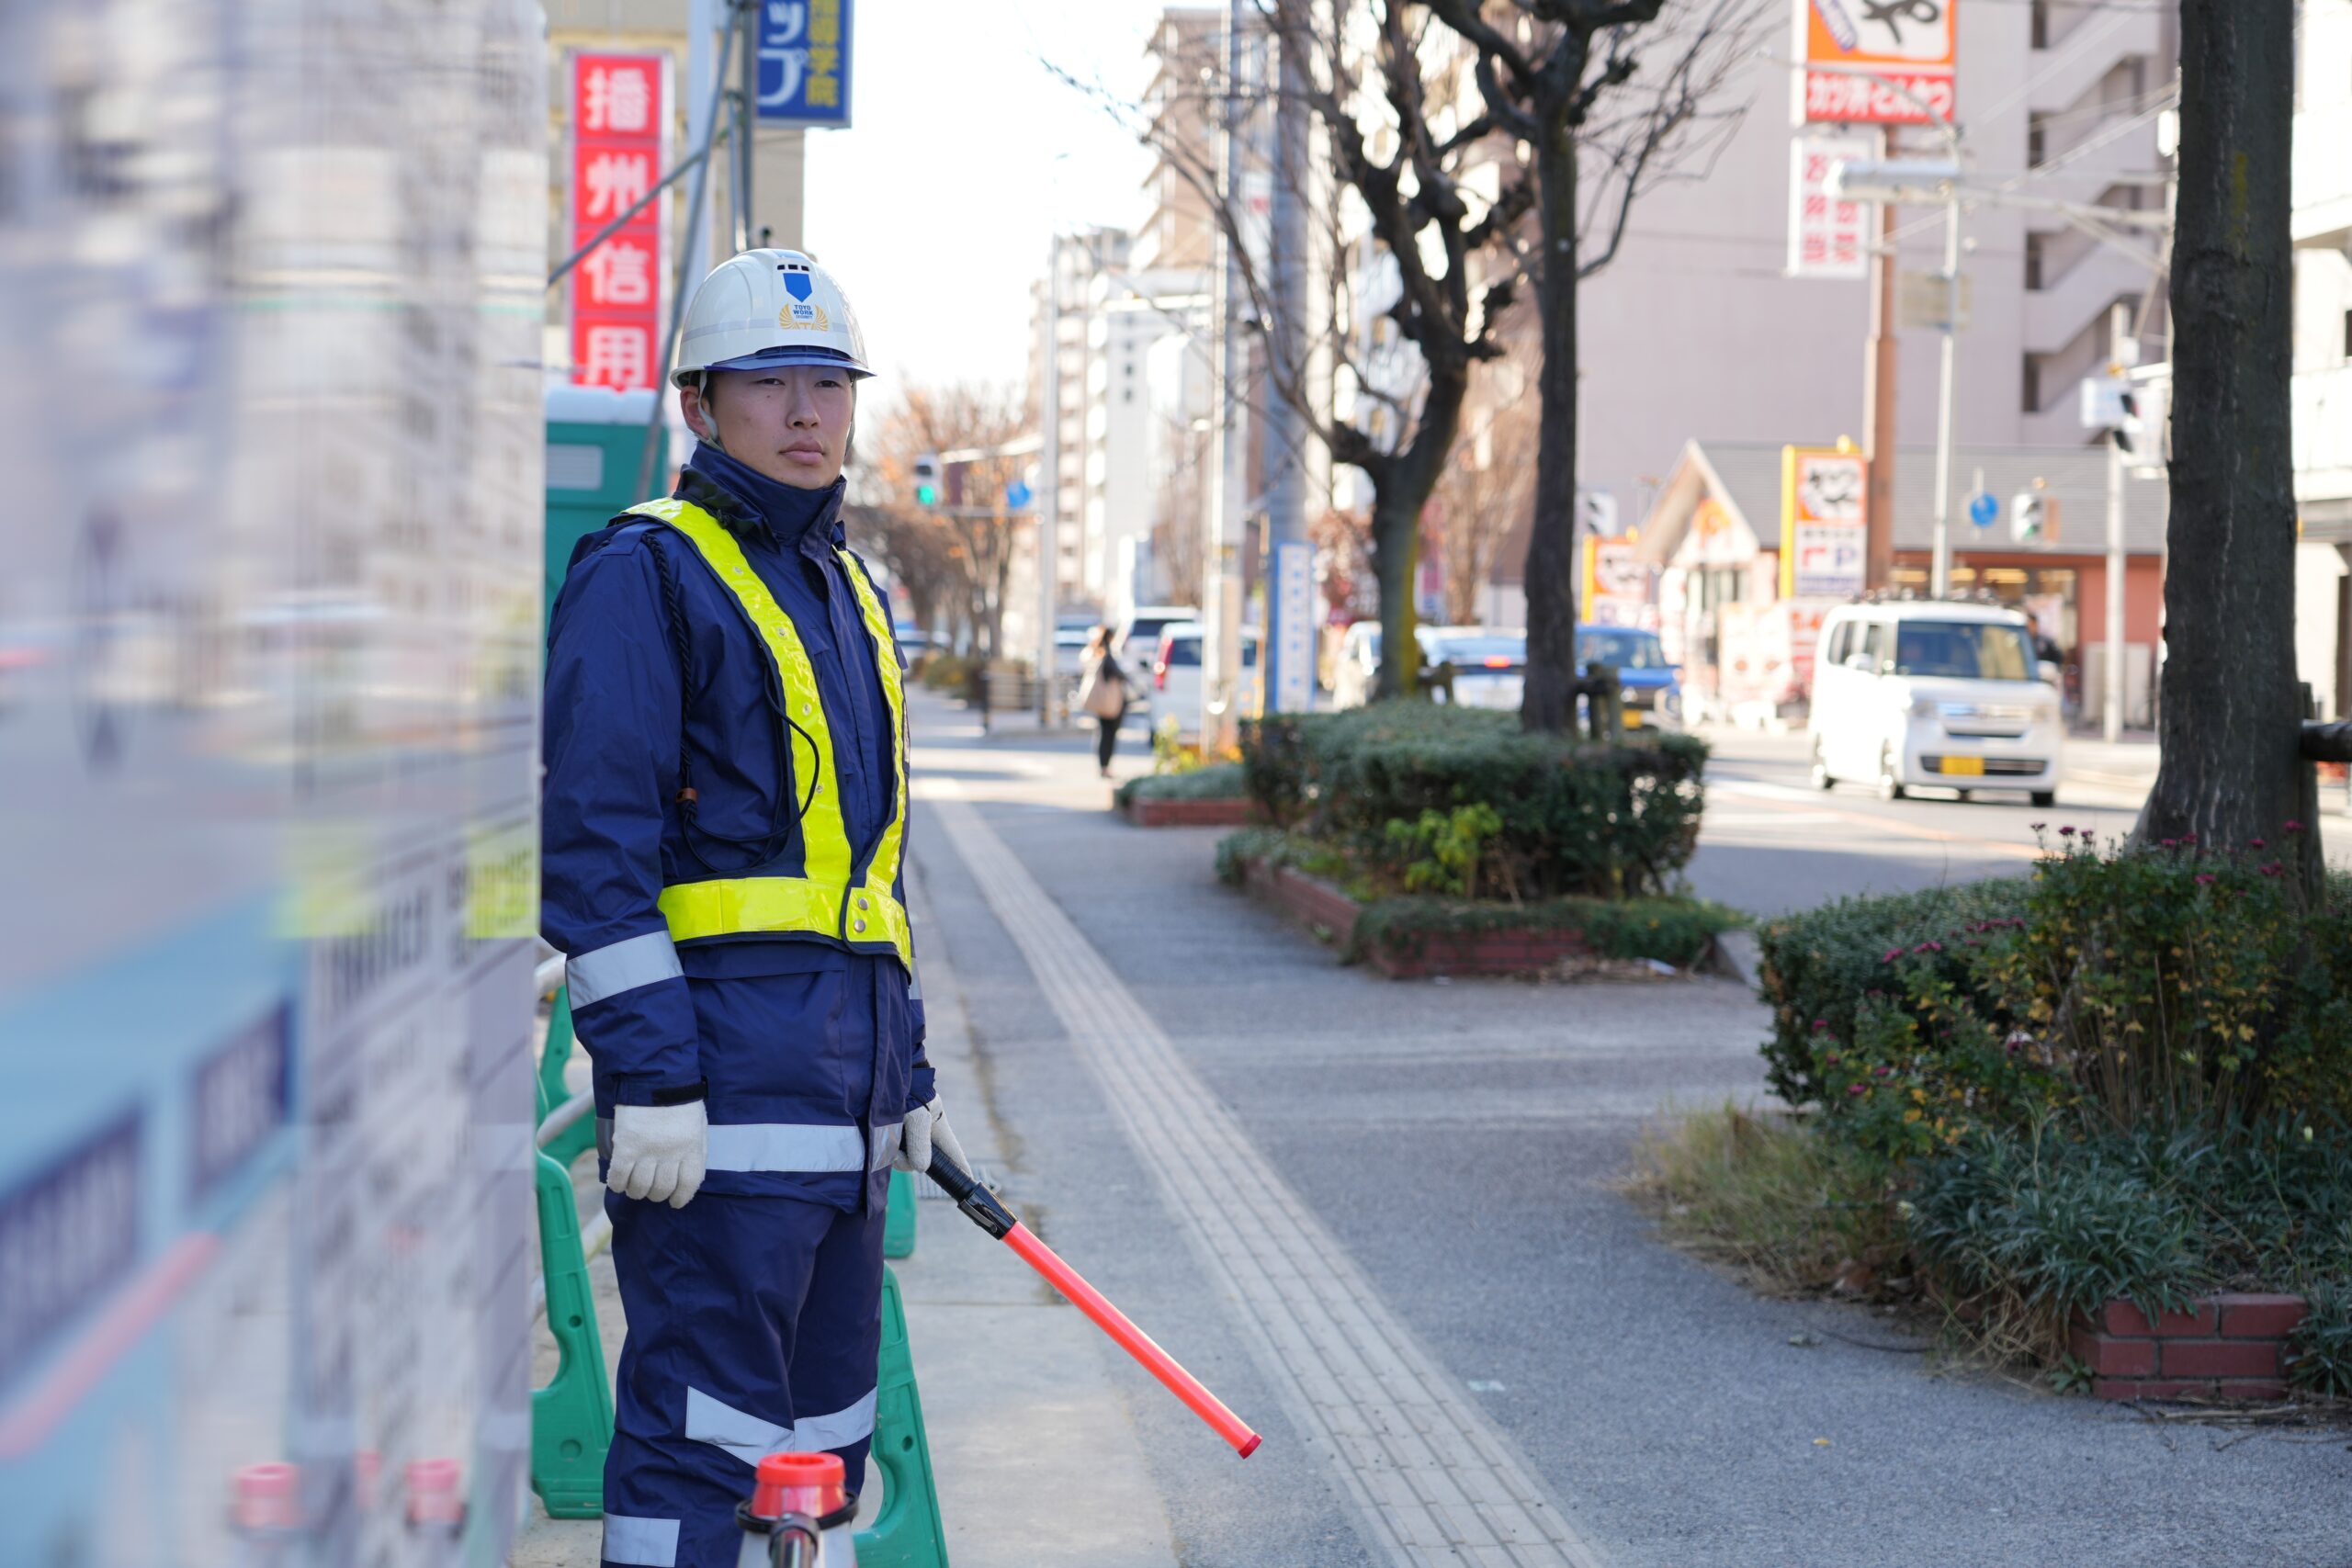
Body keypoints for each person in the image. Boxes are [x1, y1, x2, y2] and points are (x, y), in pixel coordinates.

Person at [541, 248, 968, 1568]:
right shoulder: (645, 573)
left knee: (822, 1451)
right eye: (769, 382)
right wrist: (652, 1079)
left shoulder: (851, 593)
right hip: (715, 1114)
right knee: (700, 1441)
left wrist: (907, 1075)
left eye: (828, 382)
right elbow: (592, 848)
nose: (805, 412)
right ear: (699, 401)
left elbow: (868, 889)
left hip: (838, 1119)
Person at [1079, 624, 1129, 777]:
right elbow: (1118, 675)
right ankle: (1105, 766)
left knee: (1103, 733)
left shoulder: (1095, 654)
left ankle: (1103, 766)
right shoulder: (1107, 657)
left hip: (1102, 703)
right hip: (1110, 703)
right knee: (1108, 735)